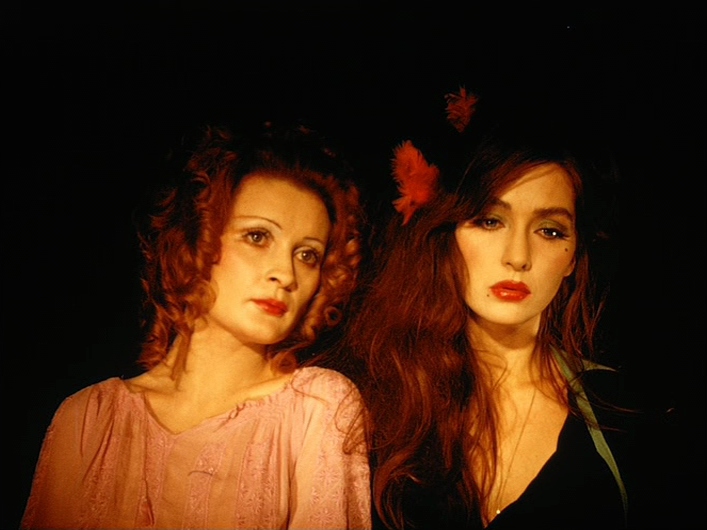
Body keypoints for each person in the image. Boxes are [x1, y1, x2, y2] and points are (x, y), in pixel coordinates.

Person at [21, 121, 372, 529]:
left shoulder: (318, 408)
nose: (285, 274)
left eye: (307, 255)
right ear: (195, 236)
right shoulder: (88, 419)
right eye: (258, 237)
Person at [337, 88, 639, 529]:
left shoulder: (618, 409)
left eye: (550, 231)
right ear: (447, 234)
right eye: (490, 221)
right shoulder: (368, 403)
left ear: (574, 256)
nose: (518, 256)